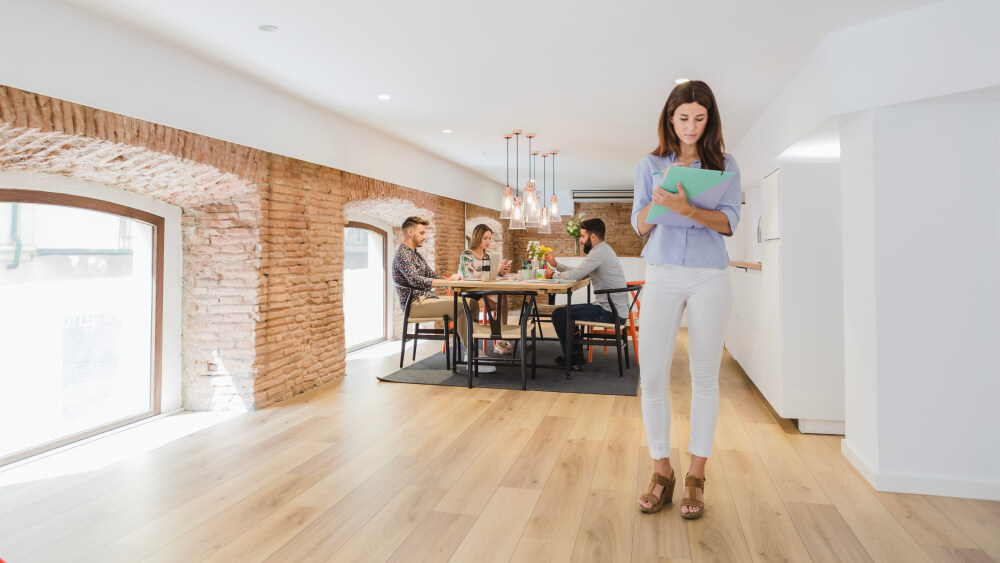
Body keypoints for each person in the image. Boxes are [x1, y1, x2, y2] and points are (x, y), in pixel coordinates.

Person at [630, 80, 741, 519]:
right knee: (653, 376)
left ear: (709, 118)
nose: (691, 126)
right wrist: (658, 207)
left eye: (699, 117)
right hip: (660, 271)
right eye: (683, 118)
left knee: (704, 377)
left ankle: (696, 476)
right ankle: (662, 472)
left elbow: (729, 223)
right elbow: (640, 223)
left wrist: (688, 209)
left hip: (709, 274)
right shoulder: (650, 163)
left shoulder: (726, 164)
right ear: (669, 119)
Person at [392, 216, 494, 373]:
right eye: (422, 233)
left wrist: (449, 279)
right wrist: (446, 282)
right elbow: (414, 279)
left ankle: (471, 352)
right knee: (461, 305)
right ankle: (471, 355)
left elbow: (431, 275)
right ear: (410, 233)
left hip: (427, 299)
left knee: (471, 303)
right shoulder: (403, 254)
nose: (425, 237)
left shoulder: (415, 254)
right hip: (415, 304)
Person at [543, 218, 629, 368]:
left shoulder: (598, 253)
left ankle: (572, 358)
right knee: (567, 312)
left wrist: (552, 275)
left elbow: (576, 275)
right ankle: (575, 356)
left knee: (559, 314)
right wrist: (556, 265)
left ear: (593, 237)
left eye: (582, 236)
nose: (581, 240)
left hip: (609, 312)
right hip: (614, 309)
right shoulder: (603, 250)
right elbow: (580, 272)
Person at [458, 224, 513, 354]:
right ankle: (500, 339)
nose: (488, 241)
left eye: (489, 238)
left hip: (484, 292)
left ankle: (500, 339)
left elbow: (489, 275)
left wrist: (500, 272)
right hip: (471, 293)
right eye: (485, 238)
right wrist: (488, 273)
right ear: (477, 237)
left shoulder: (487, 255)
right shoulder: (466, 254)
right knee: (501, 299)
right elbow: (468, 275)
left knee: (502, 297)